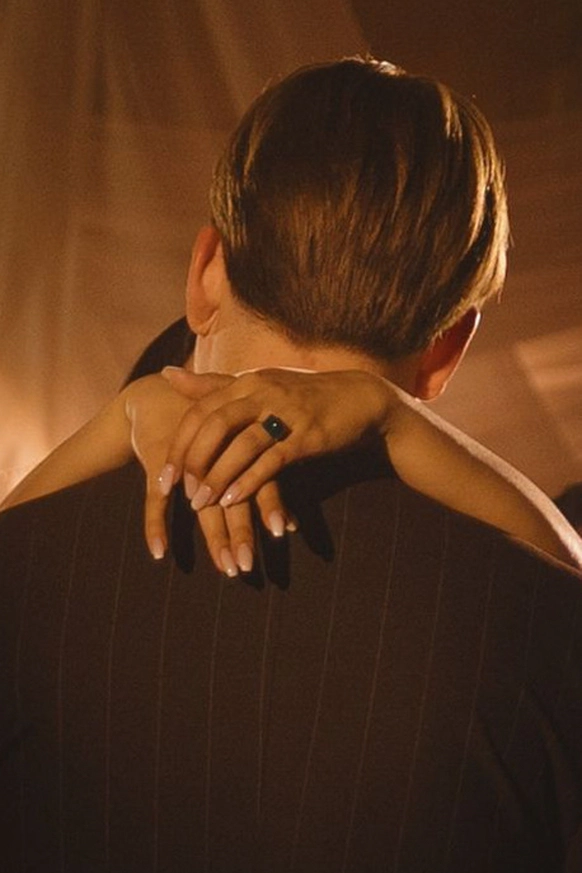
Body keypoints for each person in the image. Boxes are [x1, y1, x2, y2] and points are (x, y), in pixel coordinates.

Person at [1, 57, 582, 872]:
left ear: (206, 271)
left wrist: (118, 416)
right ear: (449, 349)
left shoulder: (28, 576)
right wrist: (398, 418)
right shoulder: (542, 629)